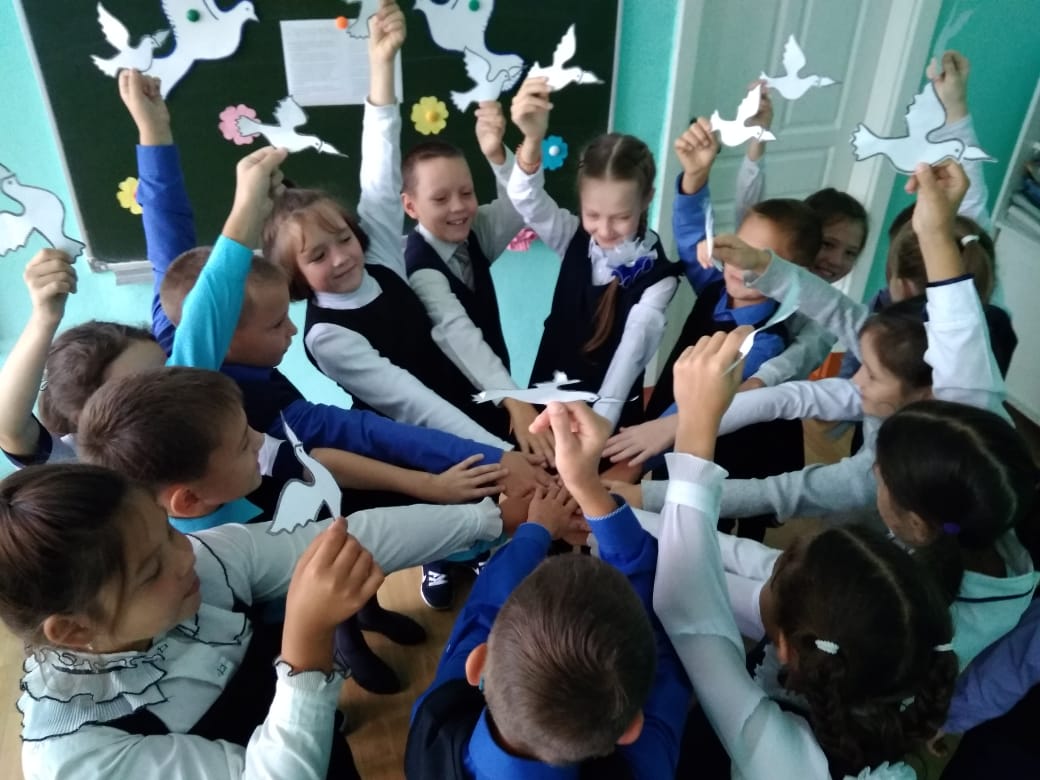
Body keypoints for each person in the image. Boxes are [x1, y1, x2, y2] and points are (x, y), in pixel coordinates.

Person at [610, 161, 1010, 529]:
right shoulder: (913, 364)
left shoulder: (876, 475)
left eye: (869, 373)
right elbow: (796, 387)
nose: (852, 377)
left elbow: (774, 494)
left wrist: (652, 492)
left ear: (923, 393)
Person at [74, 366, 511, 694]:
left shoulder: (231, 469)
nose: (260, 441)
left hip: (311, 579)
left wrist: (431, 486)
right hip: (272, 652)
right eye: (245, 445)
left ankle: (366, 617)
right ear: (188, 501)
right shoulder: (207, 557)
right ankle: (348, 646)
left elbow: (318, 471)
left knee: (348, 572)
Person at [654, 327, 957, 779]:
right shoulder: (871, 662)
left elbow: (690, 610)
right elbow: (722, 575)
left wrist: (696, 423)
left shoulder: (776, 754)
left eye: (773, 578)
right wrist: (619, 509)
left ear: (784, 648)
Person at [3, 462, 390, 779]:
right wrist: (308, 639)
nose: (187, 554)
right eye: (151, 571)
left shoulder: (193, 575)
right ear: (74, 629)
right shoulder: (75, 757)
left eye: (170, 530)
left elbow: (371, 536)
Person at [406, 401, 691, 778]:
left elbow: (484, 607)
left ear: (478, 665)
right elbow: (667, 627)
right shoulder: (646, 767)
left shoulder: (433, 724)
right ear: (632, 727)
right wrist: (591, 493)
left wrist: (537, 527)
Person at [505, 75, 680, 431]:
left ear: (647, 199)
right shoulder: (572, 236)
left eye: (621, 217)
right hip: (550, 393)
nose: (605, 230)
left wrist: (596, 429)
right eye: (593, 215)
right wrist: (532, 139)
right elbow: (526, 198)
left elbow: (629, 358)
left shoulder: (658, 277)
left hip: (607, 412)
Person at [402, 106, 555, 465]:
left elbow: (519, 205)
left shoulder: (474, 233)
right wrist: (514, 399)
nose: (459, 207)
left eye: (467, 192)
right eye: (440, 199)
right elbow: (458, 333)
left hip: (495, 397)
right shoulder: (420, 269)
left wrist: (497, 155)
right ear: (410, 207)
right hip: (452, 414)